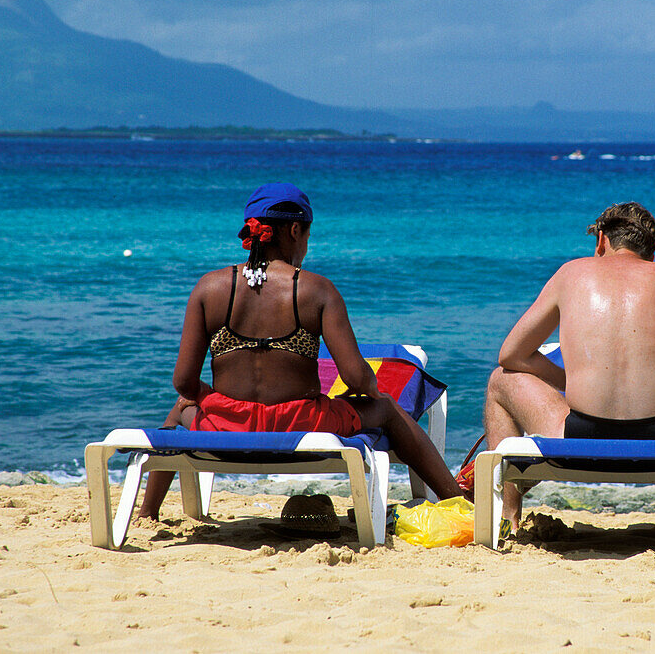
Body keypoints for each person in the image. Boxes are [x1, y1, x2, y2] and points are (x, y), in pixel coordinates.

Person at [138, 183, 465, 519]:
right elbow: (354, 376)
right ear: (295, 230)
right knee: (388, 411)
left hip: (228, 425)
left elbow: (183, 381)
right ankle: (457, 501)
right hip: (302, 423)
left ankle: (147, 512)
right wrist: (372, 388)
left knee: (180, 409)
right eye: (307, 236)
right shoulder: (316, 290)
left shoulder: (209, 288)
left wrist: (211, 397)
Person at [482, 202, 655, 532]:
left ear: (601, 240)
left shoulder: (571, 274)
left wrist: (566, 382)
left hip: (575, 436)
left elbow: (512, 355)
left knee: (499, 381)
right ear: (651, 252)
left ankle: (509, 516)